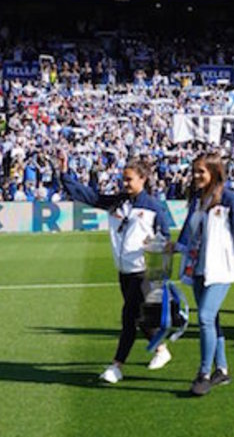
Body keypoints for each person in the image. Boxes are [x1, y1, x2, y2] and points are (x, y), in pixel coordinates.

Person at [59, 154, 172, 384]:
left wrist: (154, 246)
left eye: (129, 179)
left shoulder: (153, 207)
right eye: (124, 179)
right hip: (124, 271)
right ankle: (161, 349)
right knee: (139, 317)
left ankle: (116, 366)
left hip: (142, 272)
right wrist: (64, 174)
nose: (125, 183)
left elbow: (165, 238)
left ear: (142, 179)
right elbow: (89, 196)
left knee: (128, 317)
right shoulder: (118, 202)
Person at [175, 152, 234, 396]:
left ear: (215, 173)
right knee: (212, 319)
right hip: (198, 268)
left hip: (221, 269)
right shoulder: (198, 198)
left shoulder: (228, 199)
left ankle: (204, 373)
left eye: (201, 171)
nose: (196, 176)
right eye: (194, 171)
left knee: (205, 317)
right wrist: (177, 246)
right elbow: (189, 229)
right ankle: (222, 369)